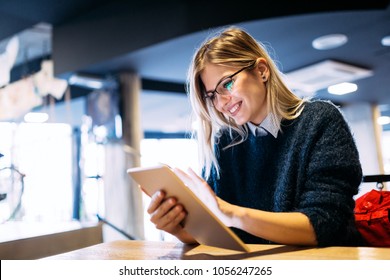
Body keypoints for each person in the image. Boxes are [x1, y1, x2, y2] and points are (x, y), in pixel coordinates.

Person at [147, 26, 365, 247]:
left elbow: (326, 225)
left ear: (261, 71)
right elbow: (218, 235)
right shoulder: (225, 143)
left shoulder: (319, 120)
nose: (221, 103)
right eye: (212, 96)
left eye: (227, 84)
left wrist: (232, 213)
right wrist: (177, 228)